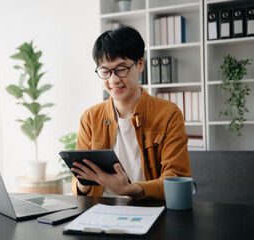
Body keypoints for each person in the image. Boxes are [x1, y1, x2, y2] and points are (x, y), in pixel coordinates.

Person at [70, 26, 191, 200]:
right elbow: (78, 186)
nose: (113, 80)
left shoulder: (169, 114)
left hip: (151, 209)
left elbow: (177, 178)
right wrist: (83, 181)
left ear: (140, 64)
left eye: (121, 69)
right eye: (105, 71)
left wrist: (130, 189)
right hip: (101, 211)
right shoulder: (90, 117)